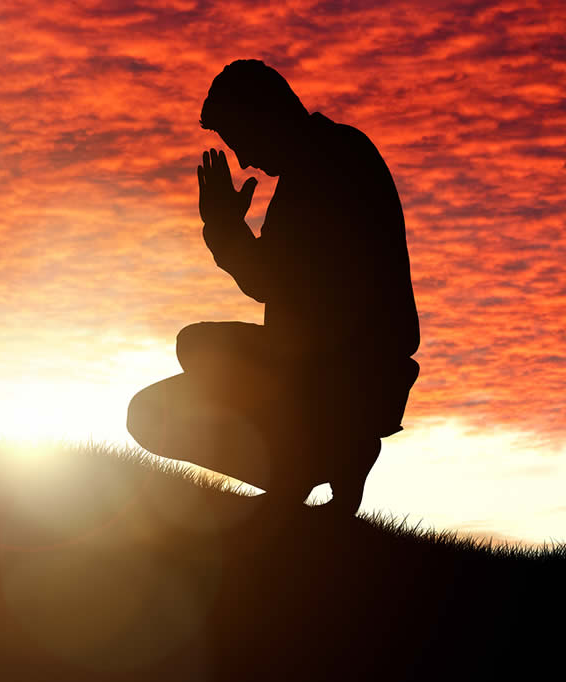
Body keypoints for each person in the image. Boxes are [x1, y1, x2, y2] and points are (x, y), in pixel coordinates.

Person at [127, 60, 420, 516]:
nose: (245, 162)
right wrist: (228, 229)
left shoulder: (329, 165)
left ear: (265, 115)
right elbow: (280, 279)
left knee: (190, 357)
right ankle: (314, 465)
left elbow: (273, 280)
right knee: (158, 403)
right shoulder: (329, 158)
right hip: (339, 370)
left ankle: (315, 464)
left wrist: (224, 227)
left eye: (242, 142)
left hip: (345, 372)